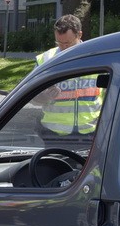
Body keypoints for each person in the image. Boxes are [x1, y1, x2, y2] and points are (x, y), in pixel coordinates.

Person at [34, 14, 101, 142]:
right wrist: (44, 97)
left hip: (91, 133)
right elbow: (31, 95)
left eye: (67, 43)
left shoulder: (96, 57)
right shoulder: (46, 60)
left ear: (79, 35)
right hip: (53, 134)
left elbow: (110, 92)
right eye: (59, 42)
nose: (63, 47)